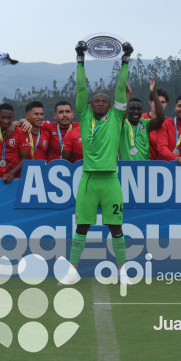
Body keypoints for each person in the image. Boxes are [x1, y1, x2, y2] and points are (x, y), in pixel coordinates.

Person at [59, 40, 133, 286]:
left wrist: (125, 60)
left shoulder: (116, 117)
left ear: (111, 106)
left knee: (116, 228)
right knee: (82, 227)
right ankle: (72, 271)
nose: (100, 103)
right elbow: (81, 88)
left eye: (104, 101)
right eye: (96, 101)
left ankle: (123, 271)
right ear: (89, 106)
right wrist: (80, 60)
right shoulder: (85, 115)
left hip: (110, 179)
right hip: (89, 180)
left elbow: (121, 87)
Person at [119, 74, 164, 161]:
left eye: (139, 109)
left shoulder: (145, 123)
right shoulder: (122, 124)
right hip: (125, 168)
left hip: (144, 169)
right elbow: (120, 116)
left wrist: (154, 92)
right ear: (127, 109)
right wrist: (128, 94)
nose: (136, 111)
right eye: (132, 109)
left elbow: (161, 118)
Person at [0, 103, 26, 182]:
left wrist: (11, 173)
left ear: (13, 117)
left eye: (9, 118)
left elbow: (25, 158)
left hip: (15, 178)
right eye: (3, 117)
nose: (6, 121)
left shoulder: (20, 132)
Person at [153, 94, 181, 167]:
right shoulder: (165, 124)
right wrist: (176, 158)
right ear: (175, 108)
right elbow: (162, 147)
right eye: (179, 106)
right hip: (166, 168)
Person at [145, 88, 168, 160]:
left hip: (163, 164)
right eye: (156, 101)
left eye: (162, 102)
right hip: (144, 162)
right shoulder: (140, 119)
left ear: (166, 104)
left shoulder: (171, 123)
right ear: (150, 102)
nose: (159, 104)